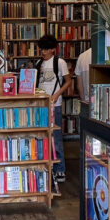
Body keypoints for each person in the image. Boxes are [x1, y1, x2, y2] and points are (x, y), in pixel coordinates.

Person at [35, 34, 73, 185]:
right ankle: (47, 169)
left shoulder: (60, 62)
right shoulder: (39, 63)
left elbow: (68, 81)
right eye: (41, 49)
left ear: (52, 49)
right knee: (43, 137)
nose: (43, 52)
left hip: (54, 105)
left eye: (46, 49)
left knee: (56, 138)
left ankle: (60, 169)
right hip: (41, 105)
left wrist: (57, 94)